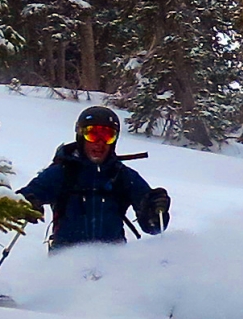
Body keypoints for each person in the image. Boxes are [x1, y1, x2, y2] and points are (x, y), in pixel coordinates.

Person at [18, 106, 170, 251]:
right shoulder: (62, 173)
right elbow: (23, 198)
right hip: (65, 260)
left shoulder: (123, 176)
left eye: (107, 136)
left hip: (114, 262)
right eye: (93, 134)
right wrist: (29, 202)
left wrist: (155, 210)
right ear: (81, 136)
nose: (100, 143)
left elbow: (153, 227)